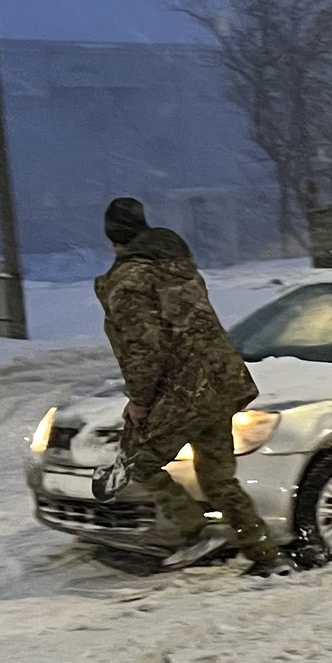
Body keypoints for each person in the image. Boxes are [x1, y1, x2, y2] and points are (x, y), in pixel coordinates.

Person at [92, 197, 282, 572]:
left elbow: (145, 348)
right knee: (217, 478)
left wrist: (140, 401)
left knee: (141, 464)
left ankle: (196, 531)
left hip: (186, 390)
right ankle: (267, 555)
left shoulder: (129, 281)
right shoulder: (179, 268)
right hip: (220, 382)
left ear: (113, 239)